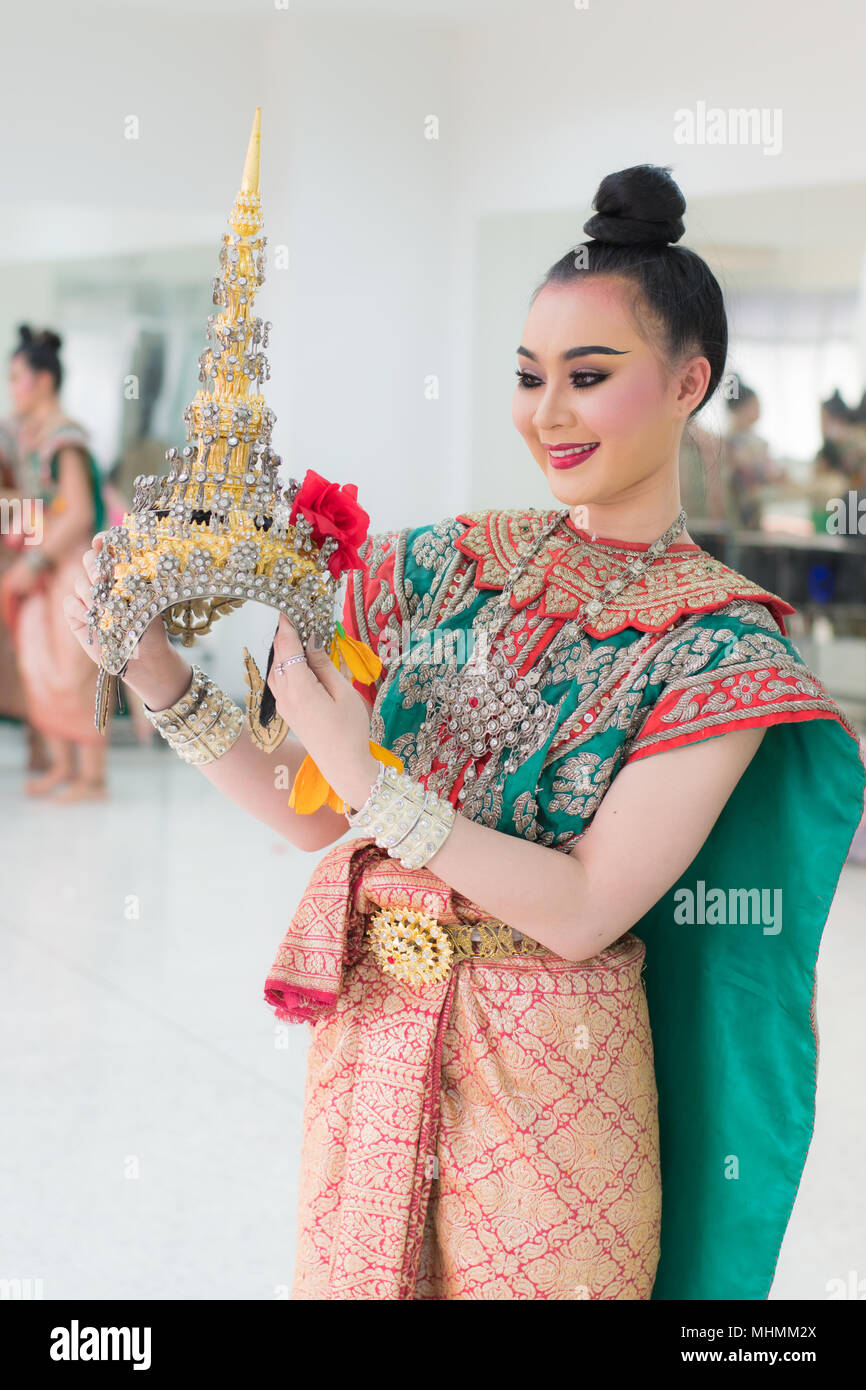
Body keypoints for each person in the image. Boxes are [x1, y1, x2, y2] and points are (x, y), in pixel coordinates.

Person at [63, 164, 865, 1300]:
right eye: (529, 376)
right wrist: (154, 670)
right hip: (375, 1048)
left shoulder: (719, 648)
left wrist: (369, 781)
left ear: (690, 382)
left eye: (589, 376)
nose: (547, 412)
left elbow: (583, 907)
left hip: (554, 1088)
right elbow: (309, 812)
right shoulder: (440, 565)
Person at [0, 325, 107, 800]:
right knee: (43, 662)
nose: (12, 387)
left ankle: (92, 777)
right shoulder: (32, 438)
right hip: (46, 566)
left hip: (69, 567)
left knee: (75, 665)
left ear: (43, 380)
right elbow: (41, 507)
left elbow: (78, 512)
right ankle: (64, 766)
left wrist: (36, 560)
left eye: (16, 377)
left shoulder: (65, 439)